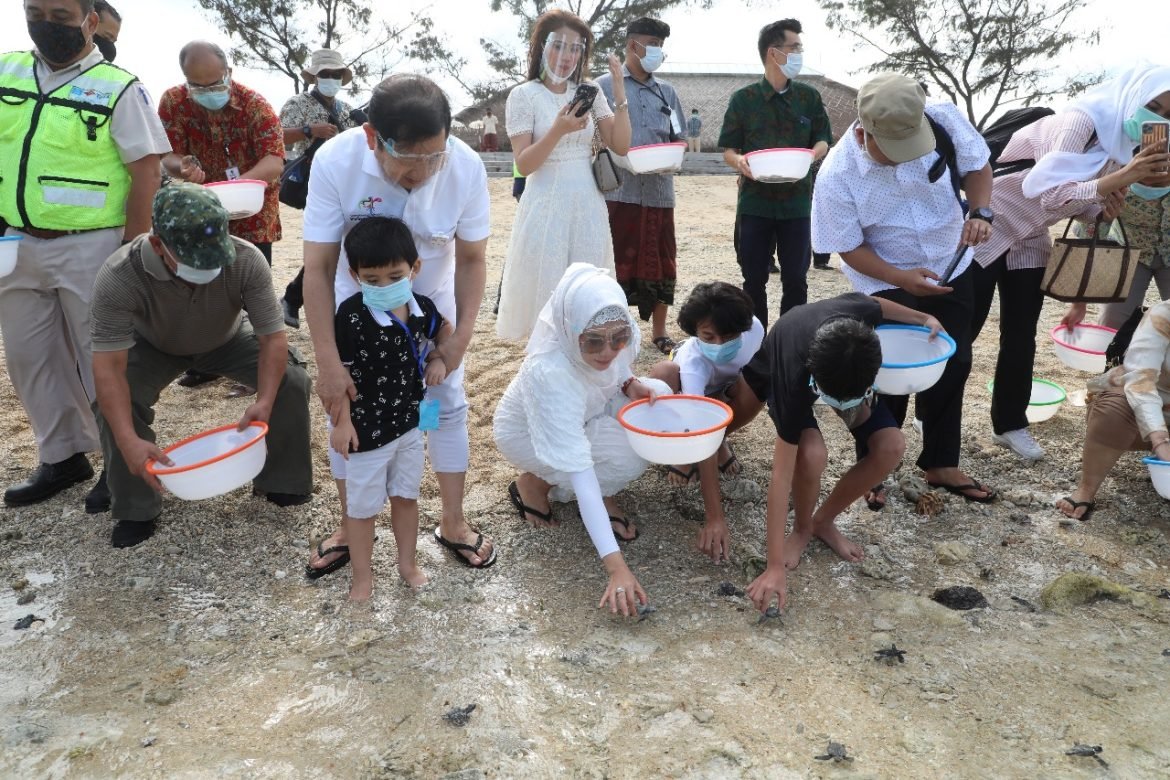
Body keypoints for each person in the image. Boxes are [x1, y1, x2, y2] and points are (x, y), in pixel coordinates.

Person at [301, 74, 497, 577]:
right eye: (409, 161)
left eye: (434, 158)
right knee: (347, 407)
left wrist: (457, 341)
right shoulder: (335, 162)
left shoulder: (465, 167)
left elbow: (472, 260)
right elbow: (317, 268)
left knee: (442, 408)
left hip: (430, 317)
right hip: (357, 312)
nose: (423, 173)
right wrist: (328, 361)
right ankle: (350, 526)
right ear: (373, 137)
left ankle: (453, 521)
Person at [2, 0, 168, 509]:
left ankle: (120, 462)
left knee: (104, 357)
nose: (46, 25)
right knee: (31, 357)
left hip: (92, 244)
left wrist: (131, 250)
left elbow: (147, 171)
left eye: (60, 15)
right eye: (35, 13)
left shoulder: (119, 87)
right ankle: (63, 456)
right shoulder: (7, 71)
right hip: (14, 242)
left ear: (90, 22)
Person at [89, 184, 313, 548]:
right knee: (115, 403)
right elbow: (108, 367)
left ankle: (283, 482)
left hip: (227, 337)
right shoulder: (119, 275)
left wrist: (265, 400)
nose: (208, 266)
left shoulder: (246, 258)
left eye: (214, 256)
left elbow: (273, 338)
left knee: (291, 377)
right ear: (158, 245)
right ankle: (134, 506)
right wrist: (128, 440)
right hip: (155, 344)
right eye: (195, 259)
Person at [813, 73, 997, 506]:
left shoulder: (944, 120)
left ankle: (941, 462)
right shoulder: (837, 174)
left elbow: (978, 167)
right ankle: (873, 465)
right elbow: (847, 247)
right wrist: (901, 278)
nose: (904, 158)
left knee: (953, 360)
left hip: (951, 263)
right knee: (884, 369)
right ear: (863, 134)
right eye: (892, 150)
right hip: (883, 278)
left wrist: (980, 212)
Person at [971, 64, 1170, 461]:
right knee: (966, 329)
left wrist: (1102, 210)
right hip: (990, 227)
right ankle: (931, 413)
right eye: (1154, 106)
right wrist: (1119, 180)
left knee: (1021, 335)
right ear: (1133, 96)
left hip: (1030, 237)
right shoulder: (1079, 121)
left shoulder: (1121, 147)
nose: (1159, 118)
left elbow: (1075, 206)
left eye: (1168, 114)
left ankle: (1010, 424)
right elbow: (1049, 194)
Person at [738, 294, 942, 613]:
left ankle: (823, 521)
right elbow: (780, 476)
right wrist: (773, 565)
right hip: (790, 359)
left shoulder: (860, 326)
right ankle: (802, 528)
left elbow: (879, 305)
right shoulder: (794, 373)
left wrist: (924, 318)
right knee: (811, 454)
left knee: (891, 445)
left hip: (843, 369)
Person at [494, 263, 670, 615]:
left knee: (659, 396)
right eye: (594, 341)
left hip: (587, 409)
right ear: (568, 329)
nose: (608, 350)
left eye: (619, 338)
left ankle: (590, 493)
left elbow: (618, 364)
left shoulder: (611, 330)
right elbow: (582, 473)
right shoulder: (551, 372)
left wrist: (629, 383)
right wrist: (616, 568)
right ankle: (535, 483)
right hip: (527, 433)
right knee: (631, 456)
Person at [329, 217, 456, 599]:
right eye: (371, 279)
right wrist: (341, 423)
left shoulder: (422, 308)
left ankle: (407, 564)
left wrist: (439, 358)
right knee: (361, 509)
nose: (384, 286)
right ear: (354, 275)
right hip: (365, 433)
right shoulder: (350, 316)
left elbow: (445, 328)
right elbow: (338, 377)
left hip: (410, 426)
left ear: (414, 268)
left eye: (394, 276)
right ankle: (362, 579)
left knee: (406, 497)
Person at [495, 9, 632, 340]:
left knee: (587, 287)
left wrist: (619, 91)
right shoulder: (524, 95)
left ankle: (587, 352)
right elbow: (524, 164)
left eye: (575, 48)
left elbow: (621, 145)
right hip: (545, 202)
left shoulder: (589, 91)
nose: (567, 55)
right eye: (559, 45)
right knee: (547, 285)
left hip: (587, 201)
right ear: (541, 46)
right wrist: (558, 129)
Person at [158, 41, 286, 392]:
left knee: (251, 286)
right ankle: (207, 362)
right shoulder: (173, 102)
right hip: (201, 207)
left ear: (228, 72)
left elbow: (274, 160)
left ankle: (258, 367)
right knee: (202, 285)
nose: (207, 92)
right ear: (185, 79)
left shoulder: (255, 105)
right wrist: (182, 167)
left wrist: (240, 185)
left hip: (251, 208)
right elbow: (167, 154)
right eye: (197, 86)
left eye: (215, 83)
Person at [718, 19, 831, 327]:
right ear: (773, 52)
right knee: (753, 279)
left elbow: (823, 139)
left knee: (796, 279)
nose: (799, 54)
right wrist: (739, 161)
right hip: (755, 203)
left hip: (797, 204)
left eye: (800, 48)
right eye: (794, 47)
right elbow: (728, 149)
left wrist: (811, 155)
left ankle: (789, 341)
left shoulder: (809, 97)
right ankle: (757, 346)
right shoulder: (744, 100)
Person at [597, 16, 687, 355]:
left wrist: (675, 155)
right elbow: (594, 137)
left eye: (660, 46)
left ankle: (659, 331)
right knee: (616, 261)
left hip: (660, 190)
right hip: (620, 190)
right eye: (651, 45)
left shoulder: (667, 91)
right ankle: (614, 330)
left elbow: (679, 135)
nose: (656, 51)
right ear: (631, 44)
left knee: (663, 260)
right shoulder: (605, 86)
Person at [1057, 301, 1170, 521]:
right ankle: (1086, 489)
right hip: (1142, 401)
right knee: (1113, 411)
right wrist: (1160, 440)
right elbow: (1140, 381)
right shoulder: (1164, 314)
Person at [278, 48, 365, 329]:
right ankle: (294, 298)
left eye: (336, 74)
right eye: (325, 73)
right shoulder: (297, 104)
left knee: (340, 242)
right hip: (314, 181)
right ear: (315, 77)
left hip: (347, 182)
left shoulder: (346, 109)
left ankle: (295, 297)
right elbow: (275, 136)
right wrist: (308, 130)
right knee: (329, 242)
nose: (331, 78)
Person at [649, 281, 763, 487]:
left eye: (729, 336)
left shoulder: (755, 329)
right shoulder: (692, 362)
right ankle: (679, 447)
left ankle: (721, 438)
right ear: (694, 331)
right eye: (708, 337)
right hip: (686, 395)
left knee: (757, 384)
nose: (719, 344)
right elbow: (694, 414)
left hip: (725, 388)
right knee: (663, 373)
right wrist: (689, 455)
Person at [1090, 191, 1170, 329]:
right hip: (1128, 251)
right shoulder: (1115, 181)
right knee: (1113, 321)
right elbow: (1091, 227)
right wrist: (1078, 304)